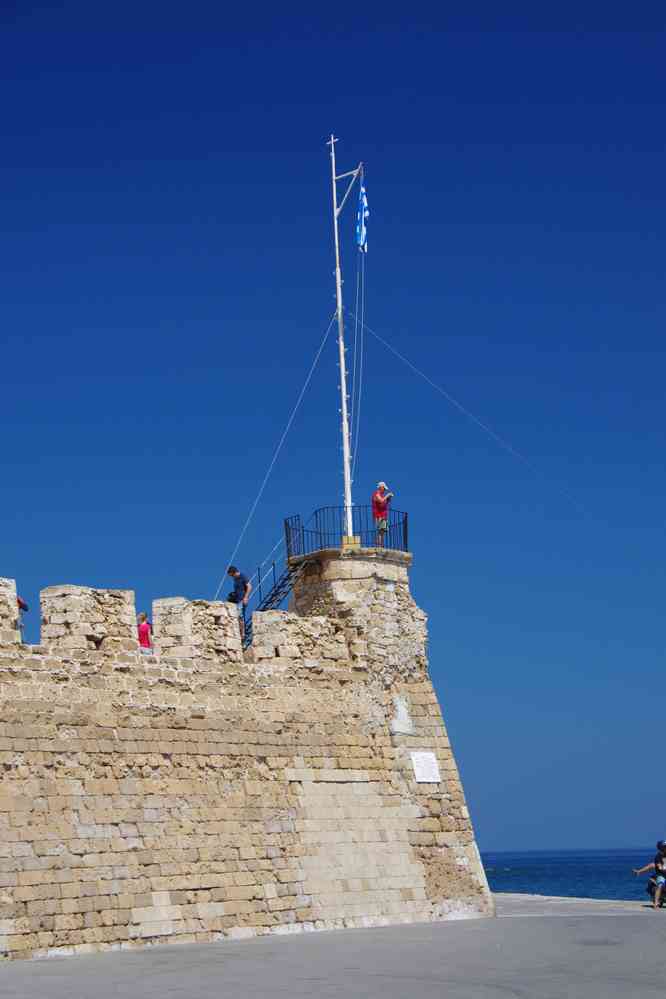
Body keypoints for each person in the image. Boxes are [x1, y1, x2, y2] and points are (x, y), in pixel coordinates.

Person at [633, 840, 666, 909]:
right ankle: (656, 904)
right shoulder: (658, 857)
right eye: (664, 847)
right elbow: (660, 868)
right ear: (661, 848)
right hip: (662, 875)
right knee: (660, 885)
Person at [227, 566, 252, 639]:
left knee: (239, 615)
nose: (232, 577)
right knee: (236, 616)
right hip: (237, 600)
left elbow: (249, 586)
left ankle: (243, 634)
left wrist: (246, 597)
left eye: (232, 575)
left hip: (242, 599)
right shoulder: (235, 579)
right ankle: (240, 632)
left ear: (234, 572)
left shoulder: (242, 576)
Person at [371, 481, 394, 547]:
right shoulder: (376, 494)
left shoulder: (381, 495)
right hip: (378, 516)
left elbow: (383, 503)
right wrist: (387, 495)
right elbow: (380, 500)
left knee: (382, 531)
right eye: (384, 489)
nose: (384, 490)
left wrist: (388, 499)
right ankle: (379, 544)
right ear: (381, 487)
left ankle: (381, 544)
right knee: (380, 530)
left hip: (383, 515)